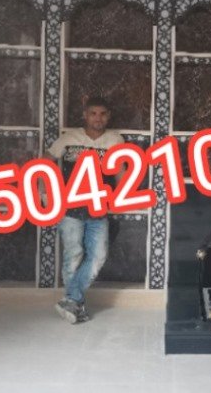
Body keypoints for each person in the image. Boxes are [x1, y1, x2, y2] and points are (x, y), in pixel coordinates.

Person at [45, 97, 124, 324]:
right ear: (85, 115)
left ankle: (71, 300)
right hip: (70, 207)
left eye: (102, 114)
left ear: (108, 116)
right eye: (93, 113)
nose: (98, 118)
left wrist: (123, 196)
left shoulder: (115, 140)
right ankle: (75, 305)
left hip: (99, 207)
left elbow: (119, 171)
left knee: (98, 256)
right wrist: (44, 190)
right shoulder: (69, 138)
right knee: (73, 255)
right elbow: (47, 161)